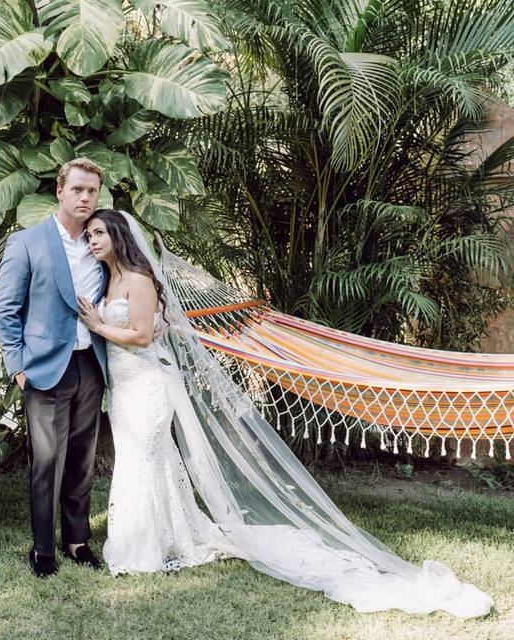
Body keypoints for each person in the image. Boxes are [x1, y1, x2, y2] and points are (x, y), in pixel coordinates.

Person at [76, 208, 494, 618]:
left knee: (142, 459)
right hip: (125, 387)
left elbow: (144, 335)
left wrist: (98, 326)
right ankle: (170, 539)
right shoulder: (109, 279)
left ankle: (139, 549)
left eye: (99, 234)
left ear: (119, 236)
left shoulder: (138, 278)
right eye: (89, 235)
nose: (92, 241)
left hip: (147, 384)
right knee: (152, 460)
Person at [0, 158, 108, 578]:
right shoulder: (27, 243)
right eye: (77, 189)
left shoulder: (101, 242)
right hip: (43, 369)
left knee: (82, 459)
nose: (84, 197)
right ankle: (43, 548)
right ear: (59, 191)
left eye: (91, 191)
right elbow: (5, 309)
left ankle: (77, 541)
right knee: (47, 461)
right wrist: (18, 367)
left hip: (90, 365)